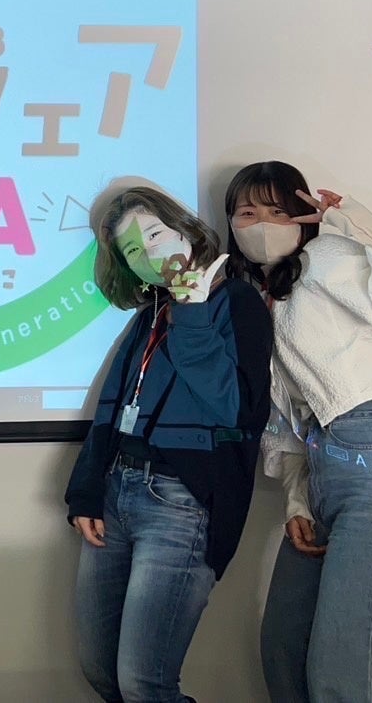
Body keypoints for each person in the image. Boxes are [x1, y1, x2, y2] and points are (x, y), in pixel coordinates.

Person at [225, 160, 372, 703]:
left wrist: (354, 220)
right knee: (284, 648)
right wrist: (297, 500)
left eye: (278, 211)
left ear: (301, 216)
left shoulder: (327, 257)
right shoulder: (257, 296)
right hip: (324, 462)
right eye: (247, 212)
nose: (263, 224)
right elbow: (287, 414)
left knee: (345, 663)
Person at [65, 180, 273, 703]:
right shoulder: (150, 315)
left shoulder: (236, 301)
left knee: (145, 683)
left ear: (185, 229)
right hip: (116, 493)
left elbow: (238, 410)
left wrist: (193, 314)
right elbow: (113, 405)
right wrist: (87, 491)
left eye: (155, 234)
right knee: (100, 669)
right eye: (133, 251)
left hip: (181, 502)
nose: (150, 254)